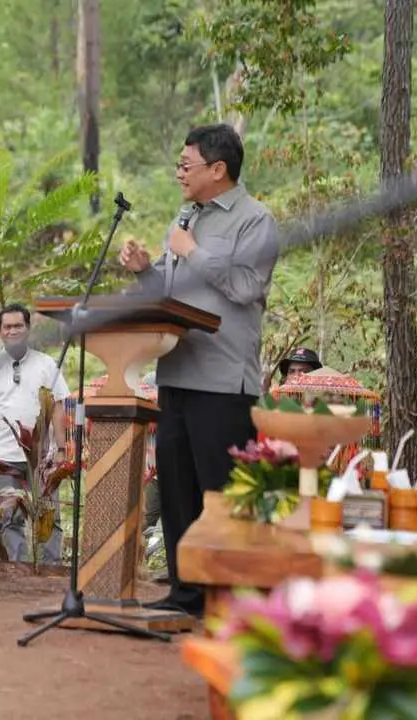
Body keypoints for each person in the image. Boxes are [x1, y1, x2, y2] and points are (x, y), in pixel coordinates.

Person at [118, 123, 279, 617]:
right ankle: (186, 595)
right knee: (179, 489)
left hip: (224, 382)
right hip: (176, 375)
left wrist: (190, 250)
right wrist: (147, 270)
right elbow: (172, 297)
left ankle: (230, 600)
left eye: (186, 165)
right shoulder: (187, 217)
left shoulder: (256, 220)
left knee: (221, 493)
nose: (178, 173)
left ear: (218, 169)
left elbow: (246, 287)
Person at [0, 303, 69, 564]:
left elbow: (58, 405)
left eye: (18, 325)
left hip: (42, 456)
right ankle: (14, 569)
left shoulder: (45, 364)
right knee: (8, 517)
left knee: (48, 514)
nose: (13, 331)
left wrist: (62, 449)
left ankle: (50, 568)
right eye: (7, 326)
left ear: (28, 328)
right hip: (2, 454)